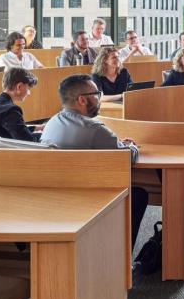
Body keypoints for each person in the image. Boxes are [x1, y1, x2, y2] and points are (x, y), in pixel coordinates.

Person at [40, 74, 149, 257]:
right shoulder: (94, 129)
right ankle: (120, 263)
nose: (99, 98)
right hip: (84, 198)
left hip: (55, 195)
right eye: (96, 94)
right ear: (82, 100)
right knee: (138, 195)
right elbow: (127, 158)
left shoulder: (52, 122)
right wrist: (131, 147)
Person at [0, 66, 39, 147]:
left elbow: (13, 130)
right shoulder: (10, 110)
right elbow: (28, 141)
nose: (29, 93)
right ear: (19, 87)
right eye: (28, 88)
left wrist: (36, 128)